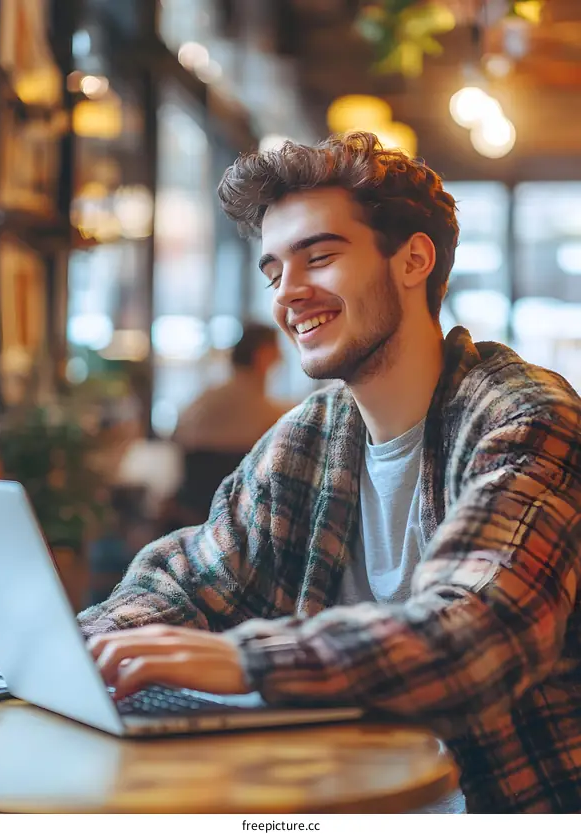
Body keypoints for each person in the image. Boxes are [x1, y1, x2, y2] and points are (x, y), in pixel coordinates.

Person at [79, 133, 581, 814]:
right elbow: (187, 577)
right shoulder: (311, 435)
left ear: (413, 260)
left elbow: (473, 636)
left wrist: (248, 662)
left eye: (319, 256)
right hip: (338, 803)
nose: (289, 293)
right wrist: (93, 647)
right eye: (273, 271)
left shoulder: (526, 419)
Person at [159, 323, 290, 529]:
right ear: (263, 355)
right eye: (277, 349)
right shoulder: (262, 410)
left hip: (190, 510)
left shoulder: (207, 397)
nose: (282, 357)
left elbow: (176, 435)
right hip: (231, 518)